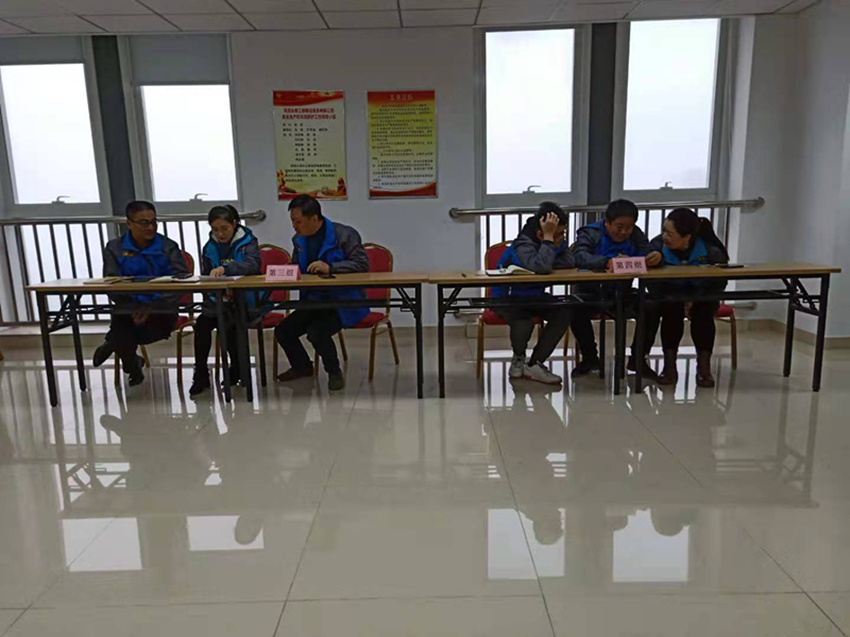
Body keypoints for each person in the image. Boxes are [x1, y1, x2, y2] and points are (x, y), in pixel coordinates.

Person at [275, 194, 369, 391]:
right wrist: (286, 272)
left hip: (343, 302)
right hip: (313, 300)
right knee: (283, 330)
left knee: (316, 332)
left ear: (314, 218)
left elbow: (362, 264)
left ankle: (334, 372)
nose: (294, 226)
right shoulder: (299, 240)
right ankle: (302, 367)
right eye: (292, 221)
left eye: (298, 221)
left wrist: (331, 268)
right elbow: (297, 267)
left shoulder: (345, 235)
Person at [92, 201, 188, 386]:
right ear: (129, 223)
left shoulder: (168, 246)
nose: (150, 227)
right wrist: (135, 306)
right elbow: (111, 283)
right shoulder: (114, 248)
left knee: (121, 334)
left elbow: (181, 281)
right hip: (129, 308)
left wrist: (151, 307)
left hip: (161, 310)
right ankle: (132, 366)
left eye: (153, 222)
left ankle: (113, 343)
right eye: (144, 223)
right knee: (122, 323)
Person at [569, 199, 663, 378]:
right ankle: (590, 358)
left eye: (629, 227)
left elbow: (647, 251)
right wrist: (606, 262)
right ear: (607, 222)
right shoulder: (591, 233)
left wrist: (655, 257)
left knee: (652, 305)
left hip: (623, 292)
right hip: (591, 292)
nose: (624, 232)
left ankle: (638, 358)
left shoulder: (635, 234)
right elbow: (579, 256)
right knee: (574, 309)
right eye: (619, 227)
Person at [642, 208, 729, 387]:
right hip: (670, 296)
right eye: (663, 231)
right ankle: (669, 367)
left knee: (703, 313)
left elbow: (718, 283)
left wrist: (693, 299)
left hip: (701, 297)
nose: (664, 237)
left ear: (687, 237)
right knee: (671, 310)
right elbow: (652, 283)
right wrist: (656, 261)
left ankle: (704, 369)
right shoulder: (658, 246)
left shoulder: (711, 251)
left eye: (670, 234)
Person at [493, 201, 575, 385]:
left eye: (563, 233)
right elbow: (541, 267)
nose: (562, 238)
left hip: (535, 297)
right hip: (507, 298)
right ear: (541, 233)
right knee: (523, 321)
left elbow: (570, 261)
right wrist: (548, 242)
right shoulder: (522, 245)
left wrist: (547, 254)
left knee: (563, 312)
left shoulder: (554, 240)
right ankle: (518, 358)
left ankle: (534, 364)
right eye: (558, 234)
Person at [189, 205, 261, 397]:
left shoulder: (248, 241)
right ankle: (200, 374)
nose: (220, 234)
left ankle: (237, 368)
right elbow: (206, 276)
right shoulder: (209, 247)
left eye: (224, 228)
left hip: (244, 301)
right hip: (217, 301)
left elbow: (253, 265)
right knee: (202, 325)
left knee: (229, 324)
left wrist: (227, 269)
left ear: (234, 224)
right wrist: (215, 294)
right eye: (215, 229)